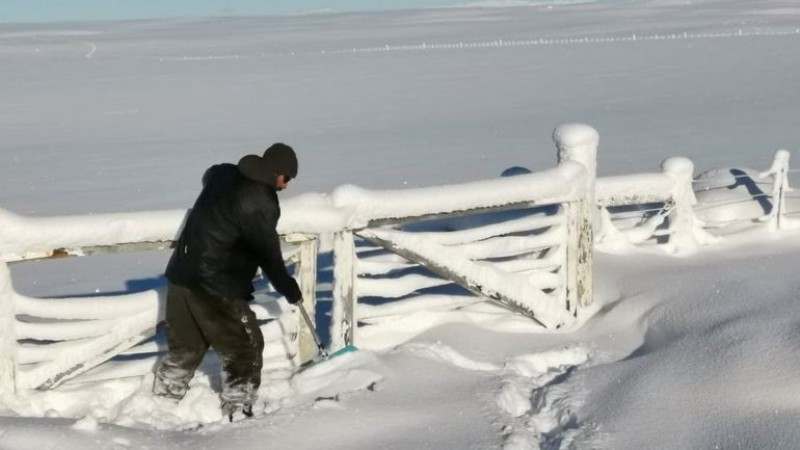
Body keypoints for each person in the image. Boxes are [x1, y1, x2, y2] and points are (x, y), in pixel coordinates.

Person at [153, 143, 302, 421]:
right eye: (288, 178)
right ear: (277, 172)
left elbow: (209, 174)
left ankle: (161, 402)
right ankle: (239, 413)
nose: (286, 185)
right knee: (245, 349)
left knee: (186, 347)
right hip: (216, 285)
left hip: (181, 275)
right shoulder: (262, 202)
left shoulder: (224, 173)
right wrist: (289, 288)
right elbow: (268, 254)